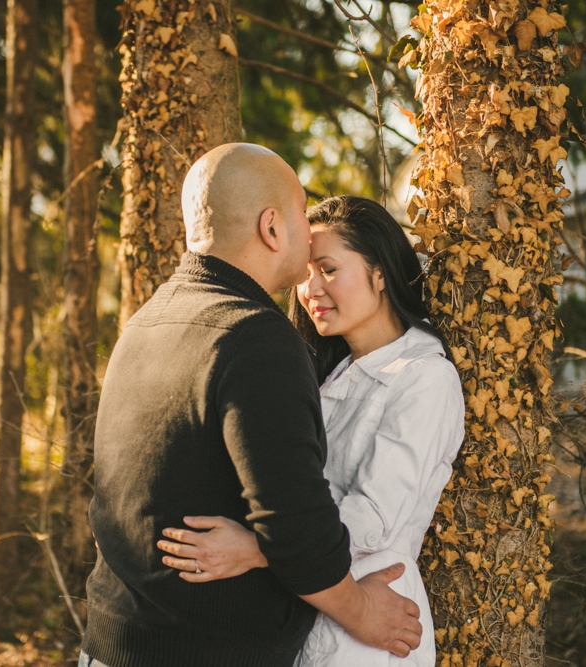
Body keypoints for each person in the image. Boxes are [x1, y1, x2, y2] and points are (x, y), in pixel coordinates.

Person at [79, 147, 423, 667]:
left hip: (112, 644)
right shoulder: (255, 337)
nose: (310, 233)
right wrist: (366, 614)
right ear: (271, 227)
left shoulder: (147, 322)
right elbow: (297, 528)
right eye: (302, 212)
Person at [157, 195, 466, 666]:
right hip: (310, 611)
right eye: (304, 274)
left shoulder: (425, 378)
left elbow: (372, 521)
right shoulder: (331, 374)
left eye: (328, 269)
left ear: (379, 272)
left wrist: (254, 549)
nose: (310, 289)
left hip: (374, 630)